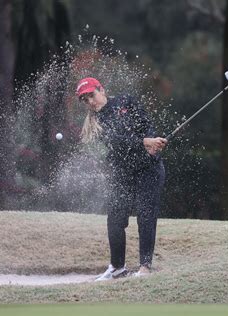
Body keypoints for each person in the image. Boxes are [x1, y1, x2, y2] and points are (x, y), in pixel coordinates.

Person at [76, 77, 167, 280]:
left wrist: (153, 145)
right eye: (85, 99)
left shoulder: (127, 101)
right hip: (122, 172)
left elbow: (146, 123)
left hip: (148, 169)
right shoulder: (95, 123)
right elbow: (117, 142)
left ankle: (145, 267)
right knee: (115, 219)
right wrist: (145, 142)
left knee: (145, 215)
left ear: (102, 90)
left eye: (92, 95)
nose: (90, 101)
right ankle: (117, 268)